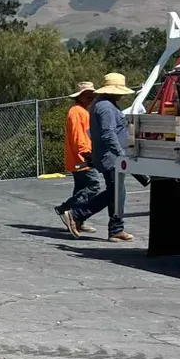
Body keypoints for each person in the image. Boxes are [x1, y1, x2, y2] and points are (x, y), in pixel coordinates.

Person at [62, 72, 135, 242]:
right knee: (114, 192)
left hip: (107, 156)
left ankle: (114, 227)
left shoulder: (101, 105)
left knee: (115, 192)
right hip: (110, 157)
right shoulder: (106, 107)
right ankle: (76, 213)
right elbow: (108, 133)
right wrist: (121, 154)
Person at [54, 82, 99, 236]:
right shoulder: (77, 112)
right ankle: (67, 208)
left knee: (80, 188)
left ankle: (78, 221)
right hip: (81, 159)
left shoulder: (81, 111)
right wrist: (87, 154)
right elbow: (79, 137)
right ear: (79, 96)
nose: (91, 98)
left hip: (77, 159)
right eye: (87, 95)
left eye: (92, 95)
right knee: (94, 187)